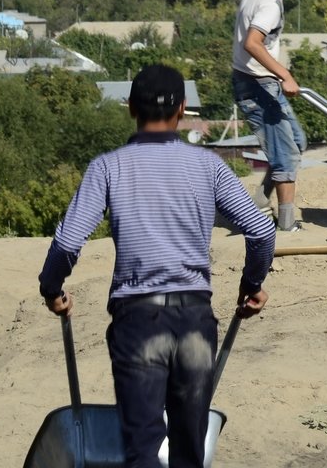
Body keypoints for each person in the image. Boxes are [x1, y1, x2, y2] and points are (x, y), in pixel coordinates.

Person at [38, 64, 275, 468]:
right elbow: (261, 230)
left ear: (131, 107)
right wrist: (251, 285)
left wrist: (52, 290)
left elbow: (67, 242)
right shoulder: (210, 166)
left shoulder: (108, 167)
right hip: (195, 322)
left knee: (144, 451)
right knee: (188, 454)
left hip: (139, 322)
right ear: (182, 109)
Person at [232, 0, 321, 232]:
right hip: (257, 86)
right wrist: (286, 75)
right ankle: (286, 226)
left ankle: (258, 202)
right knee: (286, 155)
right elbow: (252, 42)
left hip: (254, 80)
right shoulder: (271, 3)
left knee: (296, 142)